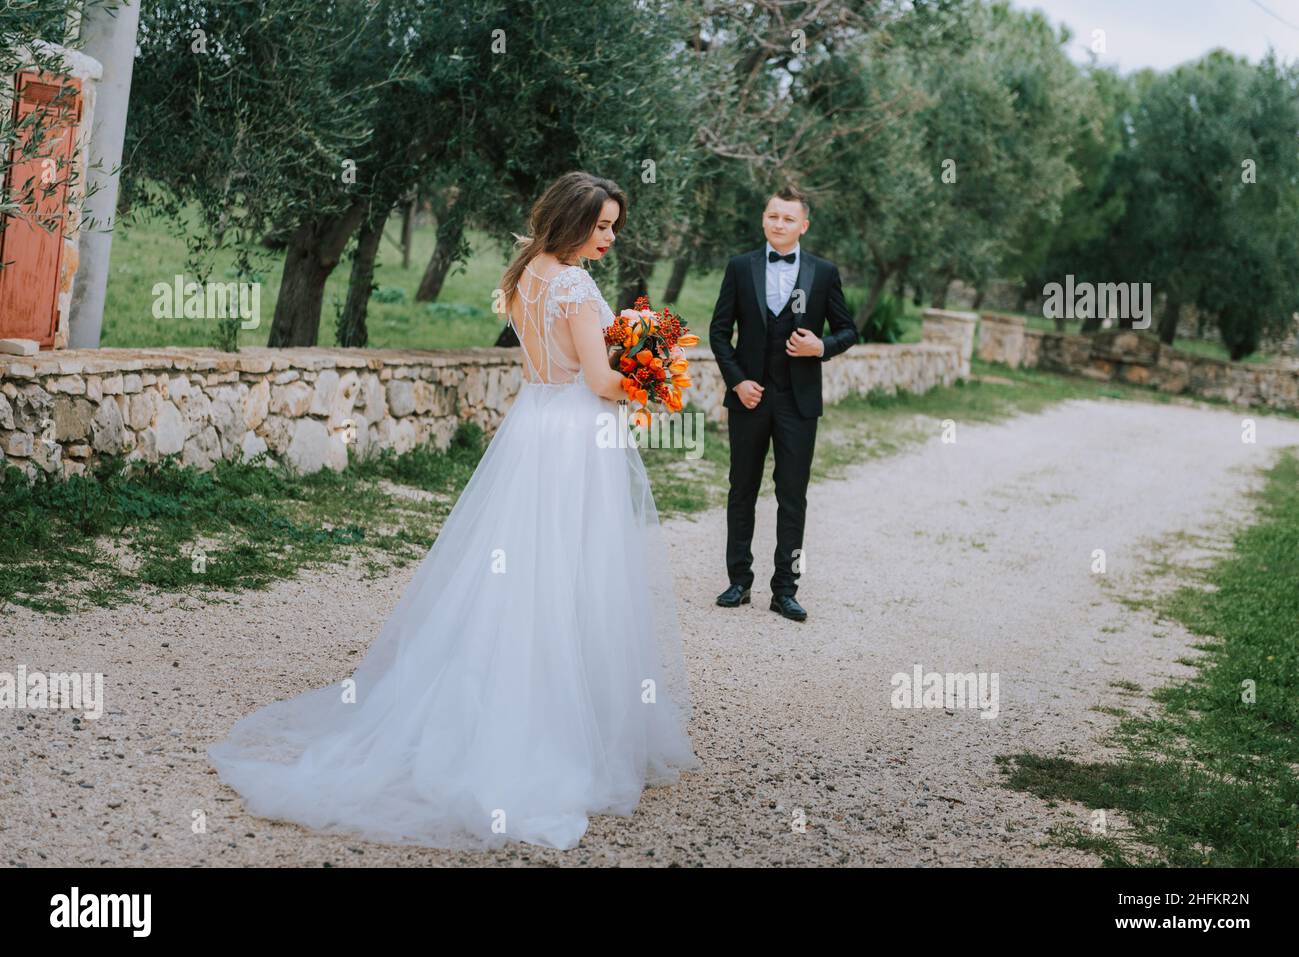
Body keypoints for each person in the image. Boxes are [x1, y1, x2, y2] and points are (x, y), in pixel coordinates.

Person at [208, 171, 699, 851]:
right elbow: (599, 380)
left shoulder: (528, 272)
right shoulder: (577, 286)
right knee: (570, 573)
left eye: (615, 225)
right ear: (571, 220)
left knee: (519, 574)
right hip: (573, 437)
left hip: (533, 426)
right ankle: (553, 735)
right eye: (602, 225)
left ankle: (485, 707)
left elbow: (551, 361)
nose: (610, 237)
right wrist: (657, 370)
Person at [708, 185, 859, 622]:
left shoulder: (823, 272)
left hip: (799, 402)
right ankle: (738, 581)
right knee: (742, 490)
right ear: (764, 219)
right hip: (749, 398)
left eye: (788, 219)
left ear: (803, 226)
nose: (779, 224)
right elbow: (719, 332)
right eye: (773, 216)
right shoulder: (740, 268)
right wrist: (737, 383)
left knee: (792, 496)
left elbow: (848, 330)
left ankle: (785, 590)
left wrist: (821, 347)